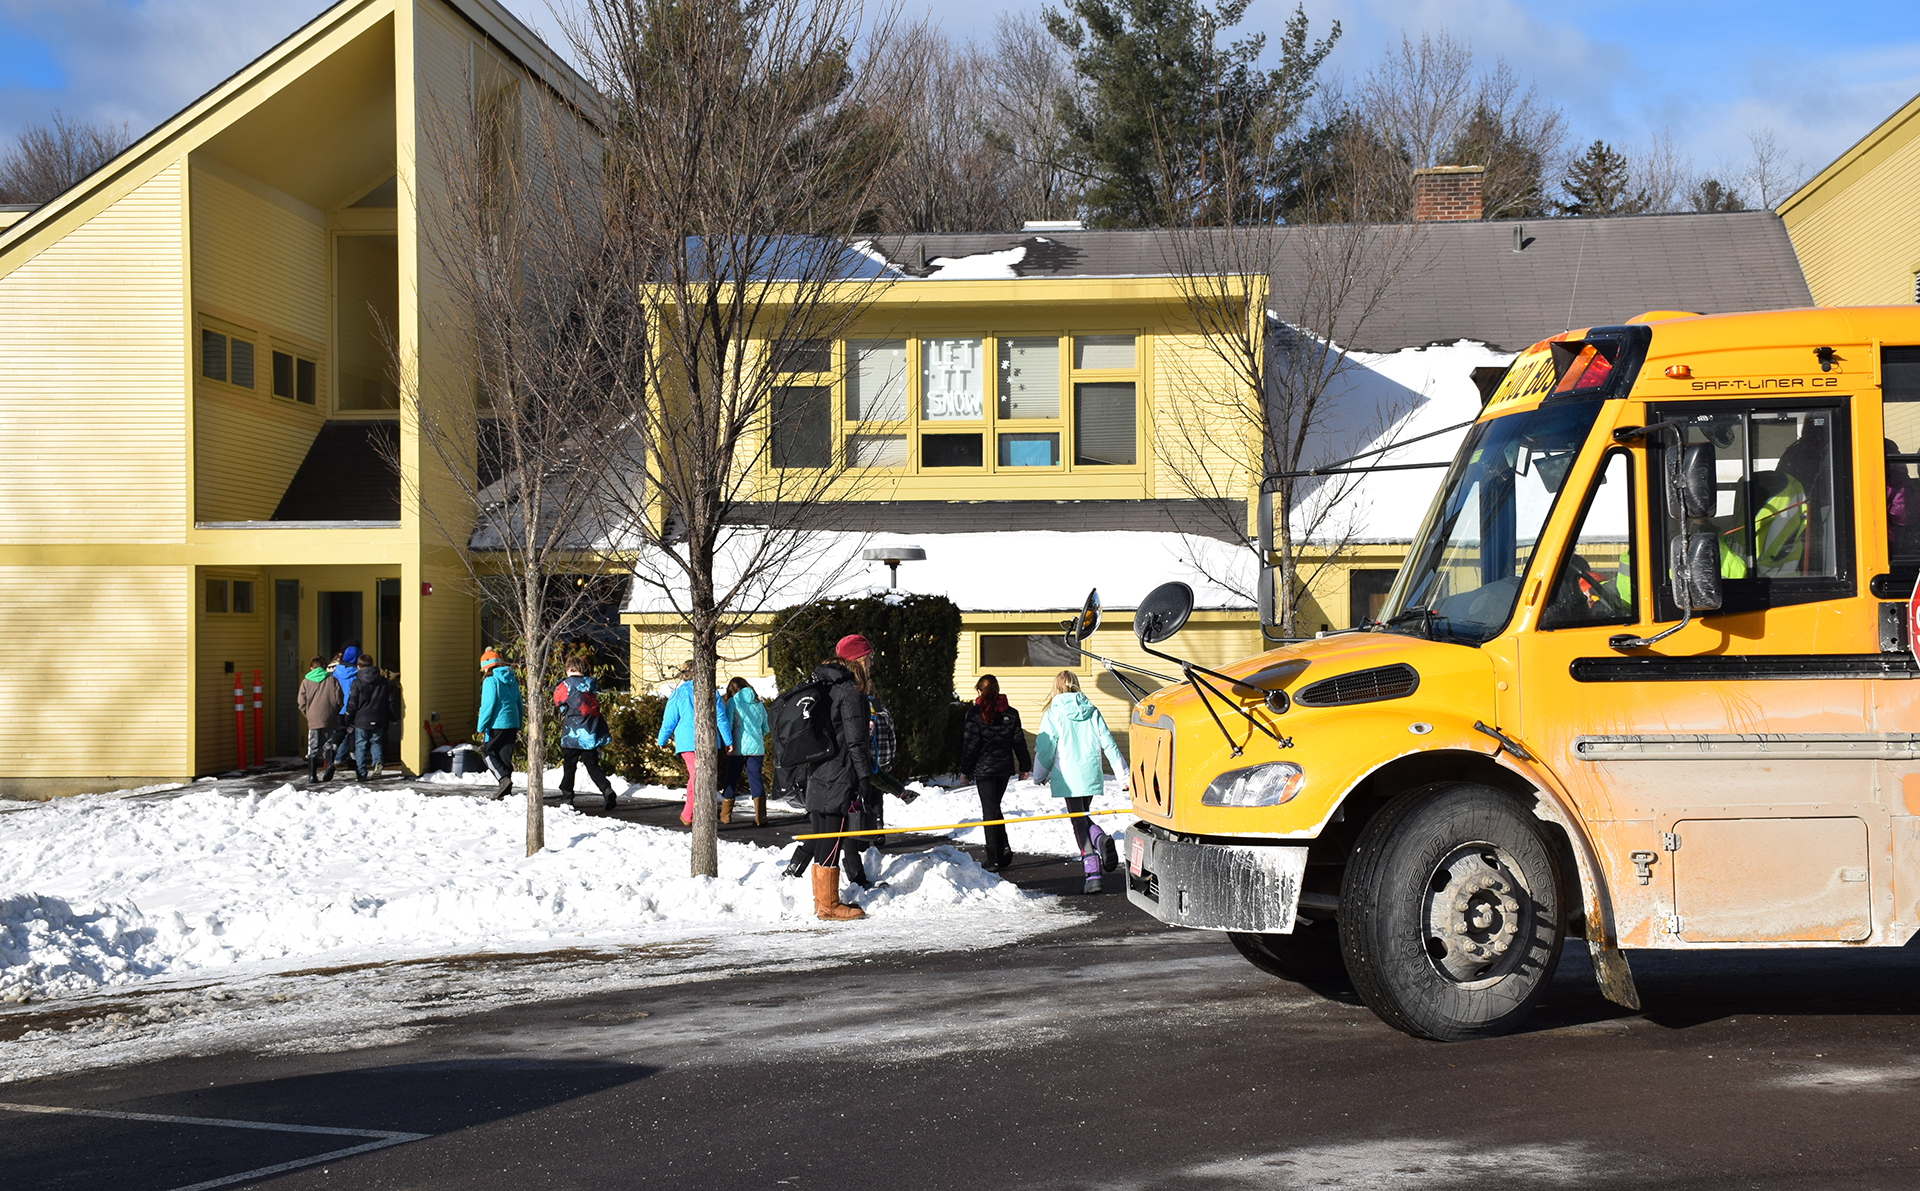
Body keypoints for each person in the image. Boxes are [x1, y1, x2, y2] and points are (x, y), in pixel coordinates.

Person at [1030, 671, 1126, 894]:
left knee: (1078, 824)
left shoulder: (1054, 713)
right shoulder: (1092, 710)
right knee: (1082, 817)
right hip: (1090, 774)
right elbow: (1109, 744)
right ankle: (1100, 840)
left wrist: (1039, 775)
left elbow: (1045, 748)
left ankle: (1092, 874)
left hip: (1068, 777)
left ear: (1056, 687)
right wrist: (1123, 776)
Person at [800, 650, 871, 921]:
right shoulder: (848, 690)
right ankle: (829, 905)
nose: (871, 663)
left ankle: (822, 902)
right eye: (869, 657)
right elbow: (855, 741)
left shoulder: (823, 687)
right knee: (832, 840)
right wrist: (863, 777)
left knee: (823, 840)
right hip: (838, 776)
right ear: (857, 660)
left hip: (818, 774)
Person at [958, 673, 1030, 873]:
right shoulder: (1011, 713)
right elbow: (1019, 741)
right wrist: (1025, 765)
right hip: (1004, 769)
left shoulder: (974, 714)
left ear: (981, 691)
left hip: (984, 769)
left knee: (989, 811)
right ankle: (1003, 848)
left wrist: (965, 770)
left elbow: (971, 745)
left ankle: (993, 858)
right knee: (994, 807)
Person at [655, 660, 734, 825]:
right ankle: (690, 813)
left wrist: (662, 739)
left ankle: (689, 814)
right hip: (709, 741)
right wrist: (728, 740)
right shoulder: (711, 691)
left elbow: (668, 720)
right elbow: (720, 717)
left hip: (687, 742)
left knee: (696, 777)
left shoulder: (678, 694)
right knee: (702, 777)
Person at [556, 655, 618, 810]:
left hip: (571, 733)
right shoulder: (590, 685)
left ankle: (567, 796)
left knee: (569, 765)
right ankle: (606, 789)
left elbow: (558, 702)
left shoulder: (565, 685)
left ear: (569, 670)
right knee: (592, 765)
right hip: (589, 733)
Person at [476, 648, 523, 800]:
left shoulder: (490, 681)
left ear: (485, 667)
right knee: (504, 755)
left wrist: (481, 726)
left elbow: (488, 705)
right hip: (512, 721)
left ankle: (503, 780)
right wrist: (519, 722)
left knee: (487, 753)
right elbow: (519, 702)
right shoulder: (511, 678)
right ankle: (506, 790)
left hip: (497, 722)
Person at [722, 677, 769, 826]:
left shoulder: (733, 702)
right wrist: (757, 736)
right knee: (756, 779)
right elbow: (766, 727)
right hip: (757, 748)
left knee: (731, 778)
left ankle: (725, 815)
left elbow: (727, 725)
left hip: (737, 748)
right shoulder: (758, 703)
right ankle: (760, 817)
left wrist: (727, 742)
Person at [341, 653, 393, 780]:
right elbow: (390, 700)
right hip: (379, 717)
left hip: (361, 719)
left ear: (358, 667)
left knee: (361, 745)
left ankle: (361, 772)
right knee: (376, 742)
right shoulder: (383, 682)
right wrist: (393, 716)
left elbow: (352, 703)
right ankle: (378, 762)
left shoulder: (357, 682)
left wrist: (347, 719)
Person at [295, 655, 341, 784]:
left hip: (313, 718)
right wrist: (334, 712)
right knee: (328, 743)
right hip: (329, 716)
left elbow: (301, 702)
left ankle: (312, 776)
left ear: (311, 668)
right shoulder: (332, 679)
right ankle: (330, 763)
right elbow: (339, 699)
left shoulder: (305, 682)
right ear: (325, 667)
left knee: (313, 747)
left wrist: (308, 714)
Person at [322, 643, 362, 781]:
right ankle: (354, 761)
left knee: (339, 733)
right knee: (354, 735)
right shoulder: (358, 674)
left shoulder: (335, 672)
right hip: (354, 709)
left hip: (339, 709)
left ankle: (333, 754)